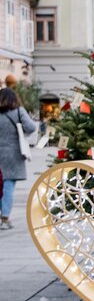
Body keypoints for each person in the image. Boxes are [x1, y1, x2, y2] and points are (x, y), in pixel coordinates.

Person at [0, 88, 36, 229]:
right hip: (13, 154)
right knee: (7, 187)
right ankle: (5, 218)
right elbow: (31, 127)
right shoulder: (18, 111)